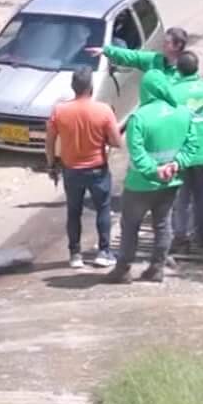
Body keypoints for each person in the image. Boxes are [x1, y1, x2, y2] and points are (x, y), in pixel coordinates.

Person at [110, 73, 189, 284]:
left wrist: (155, 171)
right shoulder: (182, 113)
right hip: (171, 182)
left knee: (130, 226)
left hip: (140, 184)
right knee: (163, 224)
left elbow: (137, 155)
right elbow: (191, 146)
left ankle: (123, 269)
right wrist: (176, 164)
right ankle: (157, 268)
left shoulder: (139, 117)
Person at [45, 67, 123, 269]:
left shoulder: (59, 111)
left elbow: (50, 141)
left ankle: (75, 254)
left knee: (73, 212)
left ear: (73, 87)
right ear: (91, 87)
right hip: (97, 169)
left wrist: (51, 164)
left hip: (71, 170)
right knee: (103, 209)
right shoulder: (103, 110)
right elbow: (116, 142)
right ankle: (104, 252)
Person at [167, 51, 203, 256]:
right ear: (197, 67)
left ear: (178, 69)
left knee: (181, 196)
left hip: (180, 152)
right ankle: (201, 236)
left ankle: (181, 237)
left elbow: (169, 123)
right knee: (200, 194)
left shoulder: (173, 91)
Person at [90, 25, 188, 98]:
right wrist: (106, 50)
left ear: (178, 46)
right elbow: (133, 56)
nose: (163, 44)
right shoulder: (154, 59)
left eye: (167, 42)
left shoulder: (186, 70)